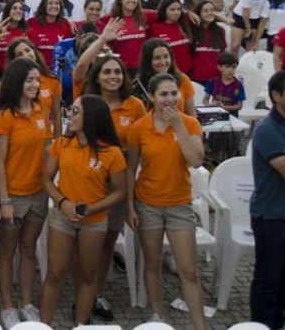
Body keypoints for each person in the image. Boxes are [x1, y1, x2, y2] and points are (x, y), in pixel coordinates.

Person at [126, 73, 207, 329]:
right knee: (153, 262)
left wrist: (179, 127)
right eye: (163, 94)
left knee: (189, 270)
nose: (170, 99)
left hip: (179, 203)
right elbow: (130, 170)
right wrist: (129, 207)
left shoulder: (191, 123)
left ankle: (199, 324)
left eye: (174, 93)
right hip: (147, 203)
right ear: (151, 97)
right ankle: (157, 314)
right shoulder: (140, 127)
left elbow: (196, 160)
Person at [38, 94, 126, 326]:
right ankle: (43, 324)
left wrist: (91, 209)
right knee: (55, 273)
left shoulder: (112, 153)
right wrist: (63, 203)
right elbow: (46, 180)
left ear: (92, 117)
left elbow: (119, 192)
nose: (69, 114)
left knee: (87, 276)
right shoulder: (63, 144)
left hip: (94, 221)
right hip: (62, 216)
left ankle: (80, 324)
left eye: (76, 111)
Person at [0, 57, 52, 328]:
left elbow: (45, 152)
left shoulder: (41, 109)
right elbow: (0, 161)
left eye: (37, 80)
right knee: (8, 251)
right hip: (14, 195)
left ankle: (27, 303)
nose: (34, 84)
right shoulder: (6, 116)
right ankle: (7, 306)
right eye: (29, 80)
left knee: (29, 250)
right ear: (17, 82)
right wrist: (4, 200)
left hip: (38, 194)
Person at [249, 70, 285, 329]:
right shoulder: (267, 129)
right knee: (269, 277)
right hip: (270, 216)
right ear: (277, 95)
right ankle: (262, 324)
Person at [7, 38, 62, 138]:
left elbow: (56, 114)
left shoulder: (52, 80)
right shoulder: (11, 83)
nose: (26, 55)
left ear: (34, 51)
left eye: (28, 50)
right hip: (20, 141)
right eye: (19, 54)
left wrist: (58, 143)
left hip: (46, 140)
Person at [100, 0, 157, 74]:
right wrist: (73, 23)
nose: (132, 0)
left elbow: (166, 12)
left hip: (142, 67)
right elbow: (93, 20)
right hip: (120, 68)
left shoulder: (145, 16)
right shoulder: (110, 19)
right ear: (121, 0)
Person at [135, 38, 196, 116]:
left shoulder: (183, 79)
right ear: (148, 61)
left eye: (166, 57)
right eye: (157, 58)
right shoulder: (139, 85)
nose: (163, 62)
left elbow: (192, 115)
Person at [150, 0, 194, 76]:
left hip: (188, 71)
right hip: (168, 72)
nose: (176, 12)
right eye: (172, 10)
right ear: (164, 10)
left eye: (178, 9)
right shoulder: (155, 28)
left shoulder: (185, 23)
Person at [26, 0, 74, 67]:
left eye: (57, 3)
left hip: (57, 70)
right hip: (37, 68)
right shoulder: (32, 22)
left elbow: (67, 51)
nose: (54, 6)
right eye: (50, 3)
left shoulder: (65, 23)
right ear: (44, 6)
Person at [190, 0, 228, 86]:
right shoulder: (191, 31)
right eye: (205, 11)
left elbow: (222, 54)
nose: (210, 13)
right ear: (198, 14)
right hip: (197, 78)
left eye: (211, 10)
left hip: (216, 78)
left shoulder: (220, 31)